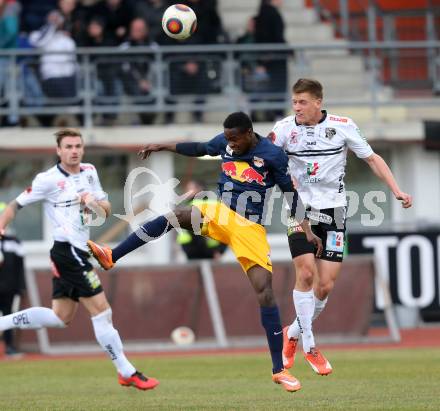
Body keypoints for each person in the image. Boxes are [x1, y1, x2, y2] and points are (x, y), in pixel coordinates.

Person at [87, 111, 323, 393]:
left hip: (250, 228)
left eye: (235, 139)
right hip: (220, 213)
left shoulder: (272, 155)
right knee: (175, 215)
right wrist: (162, 145)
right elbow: (199, 147)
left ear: (249, 134)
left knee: (265, 292)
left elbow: (289, 194)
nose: (230, 145)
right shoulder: (224, 142)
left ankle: (278, 370)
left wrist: (306, 229)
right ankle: (112, 255)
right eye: (227, 139)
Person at [269, 78, 413, 375]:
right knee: (306, 273)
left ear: (318, 102)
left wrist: (396, 189)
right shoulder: (284, 129)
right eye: (294, 102)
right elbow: (266, 159)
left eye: (303, 102)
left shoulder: (343, 125)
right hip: (299, 210)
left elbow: (372, 158)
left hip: (334, 212)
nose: (297, 108)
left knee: (325, 285)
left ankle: (292, 333)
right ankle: (309, 345)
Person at [0, 128, 158, 390]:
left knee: (60, 317)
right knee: (102, 311)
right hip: (67, 251)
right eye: (69, 147)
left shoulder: (90, 172)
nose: (74, 151)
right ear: (59, 150)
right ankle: (126, 371)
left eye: (78, 146)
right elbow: (16, 205)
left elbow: (106, 211)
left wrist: (92, 203)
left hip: (79, 250)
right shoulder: (47, 179)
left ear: (82, 149)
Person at [176, 180, 227, 260]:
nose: (186, 192)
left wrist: (215, 251)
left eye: (190, 189)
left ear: (199, 189)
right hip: (209, 252)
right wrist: (220, 250)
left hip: (201, 252)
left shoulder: (197, 206)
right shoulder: (214, 204)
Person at [0, 203, 25, 357]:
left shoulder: (14, 242)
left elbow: (20, 268)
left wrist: (21, 288)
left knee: (9, 316)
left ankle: (10, 346)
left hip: (8, 288)